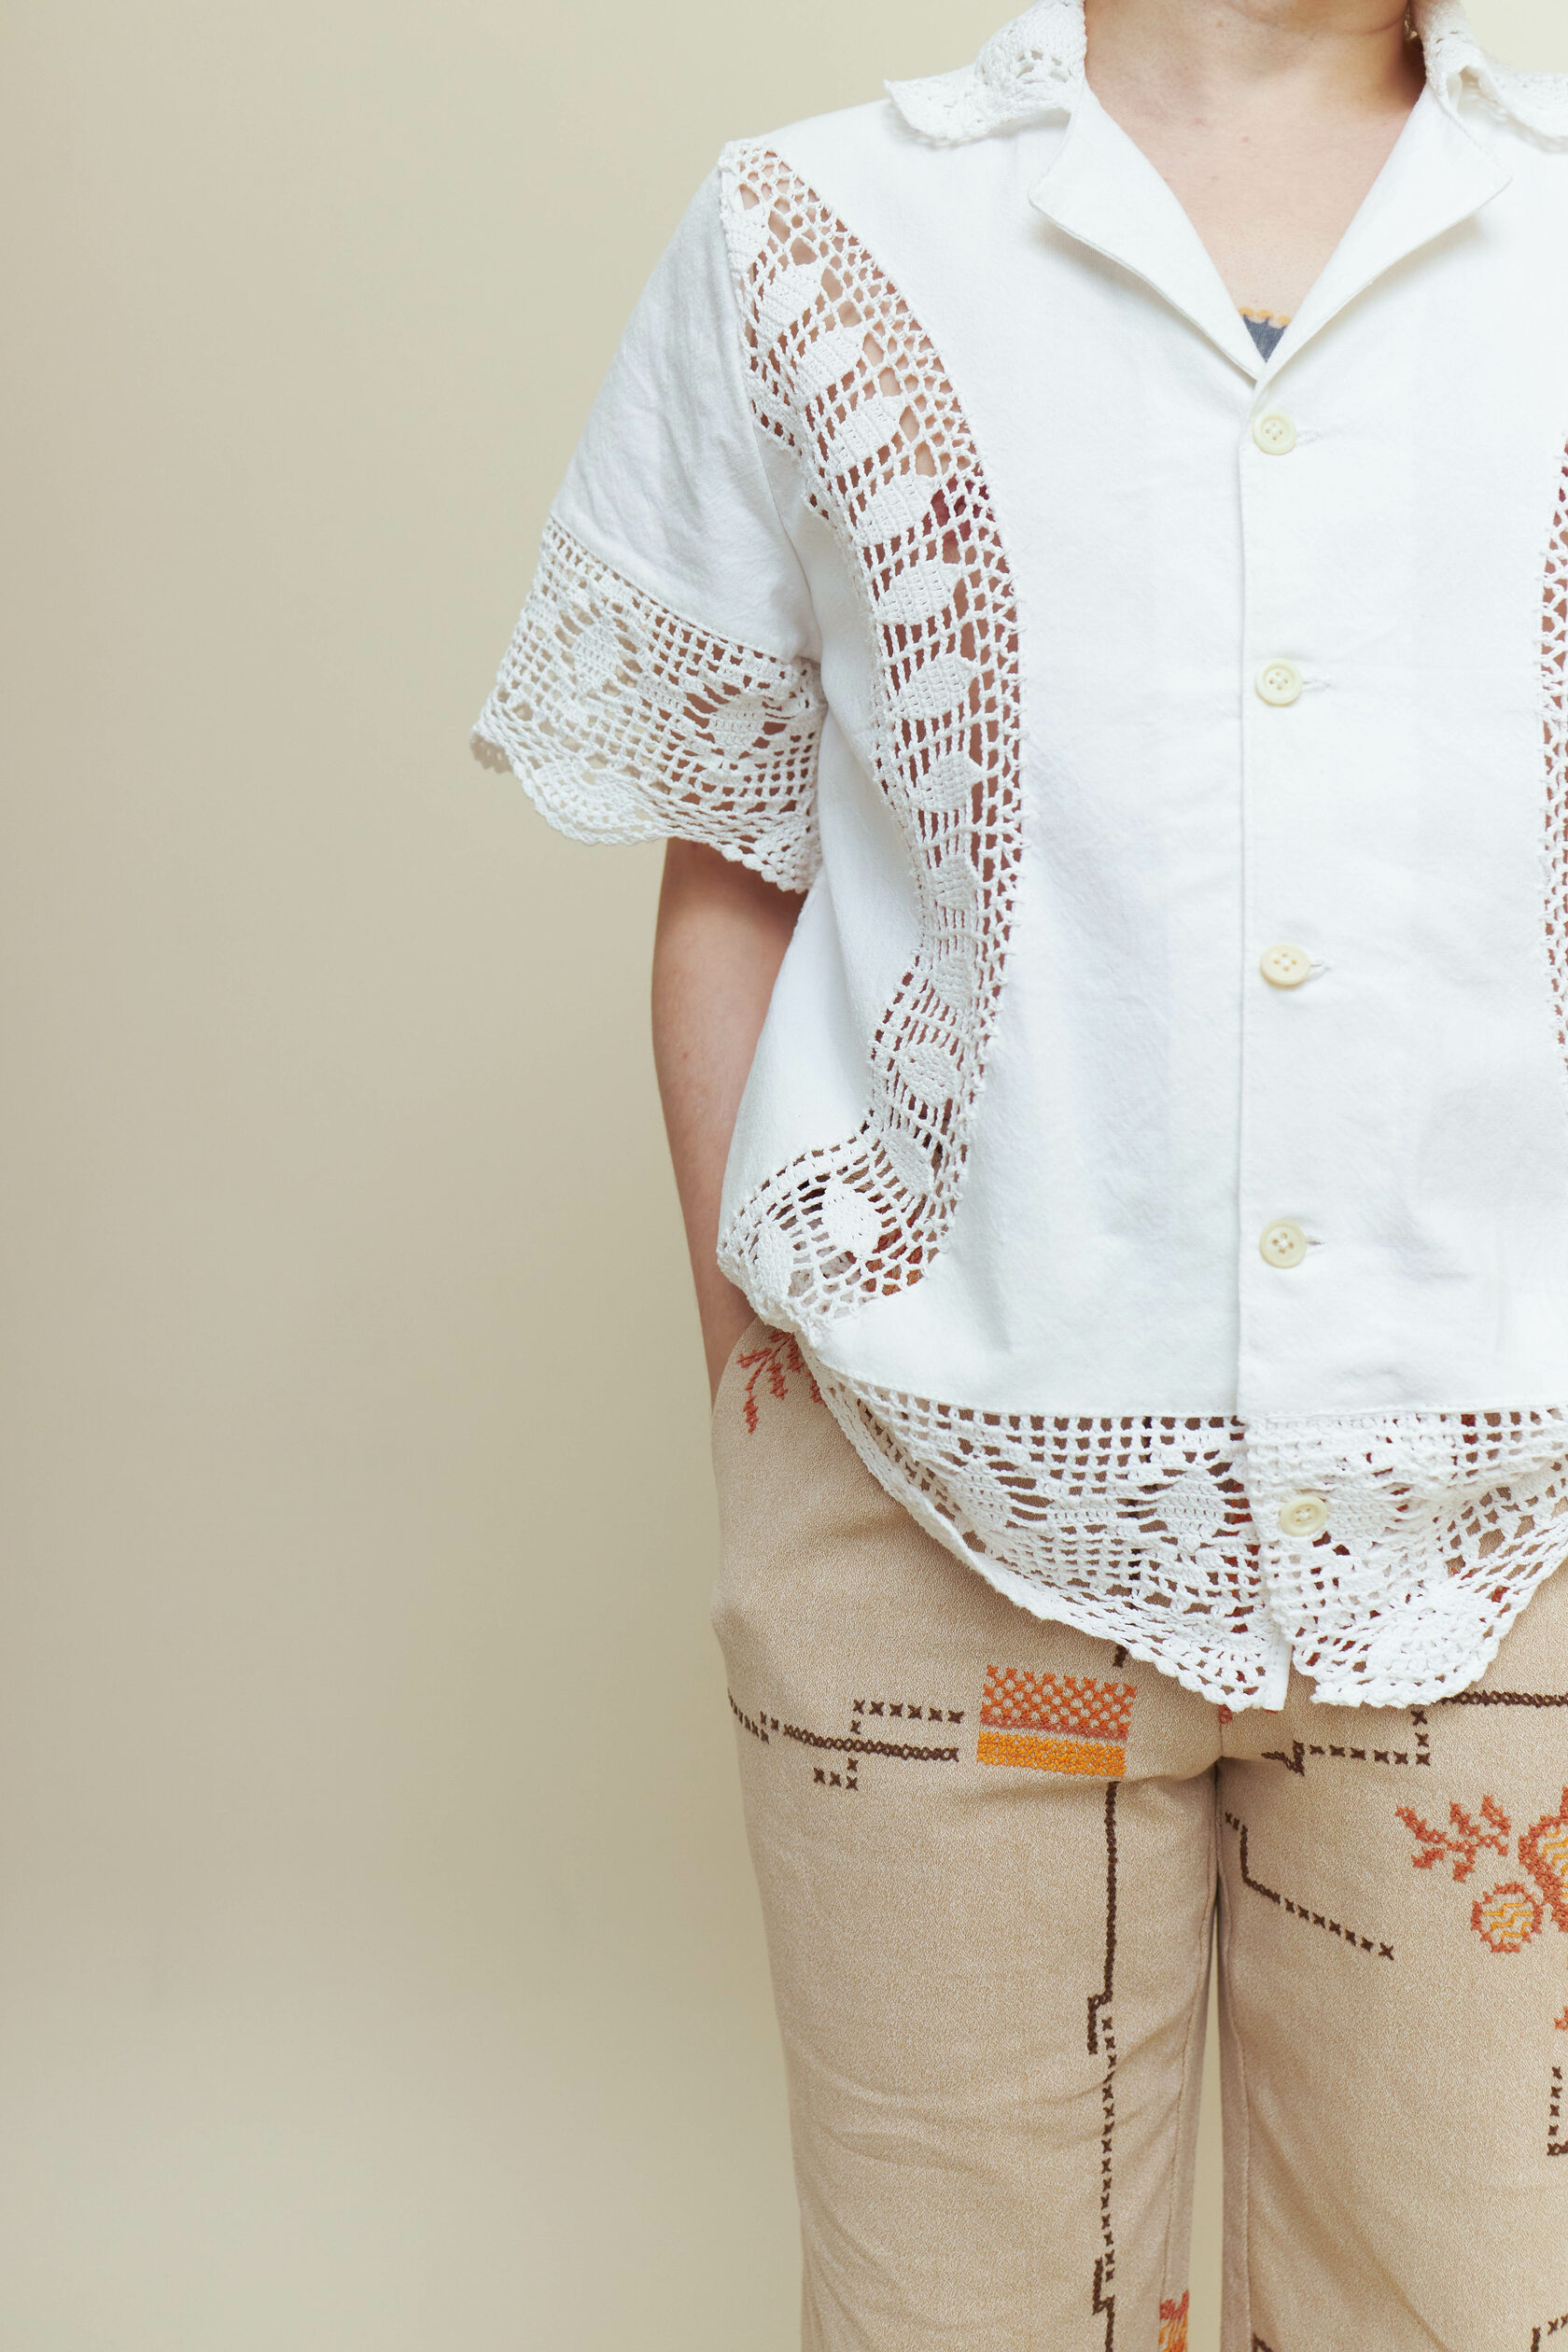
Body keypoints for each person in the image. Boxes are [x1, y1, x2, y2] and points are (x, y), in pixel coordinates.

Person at [471, 0, 1568, 2340]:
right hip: (926, 1513)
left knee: (1469, 2313)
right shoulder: (814, 232)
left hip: (1519, 1521)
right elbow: (733, 857)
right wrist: (760, 1408)